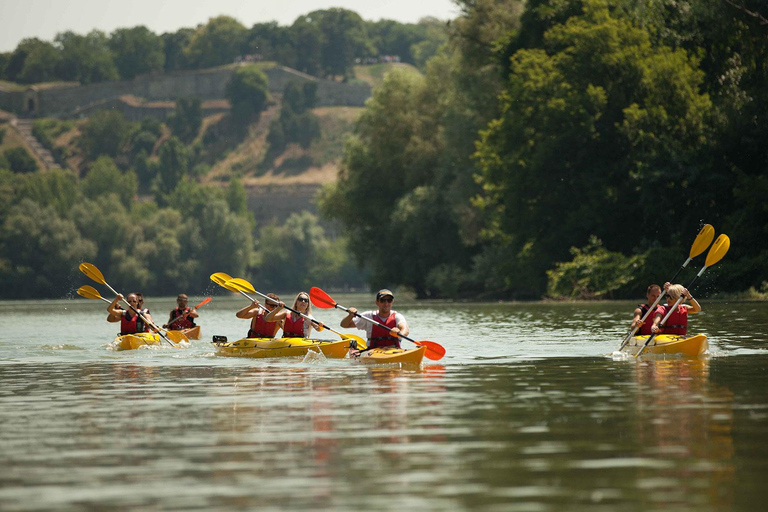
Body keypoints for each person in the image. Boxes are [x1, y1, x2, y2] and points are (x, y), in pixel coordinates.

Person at [340, 289, 408, 349]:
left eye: (389, 300)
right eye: (382, 300)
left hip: (394, 351)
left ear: (392, 302)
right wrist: (350, 315)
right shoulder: (368, 316)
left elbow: (405, 330)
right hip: (372, 351)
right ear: (377, 302)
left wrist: (399, 333)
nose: (386, 303)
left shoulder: (397, 316)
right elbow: (344, 325)